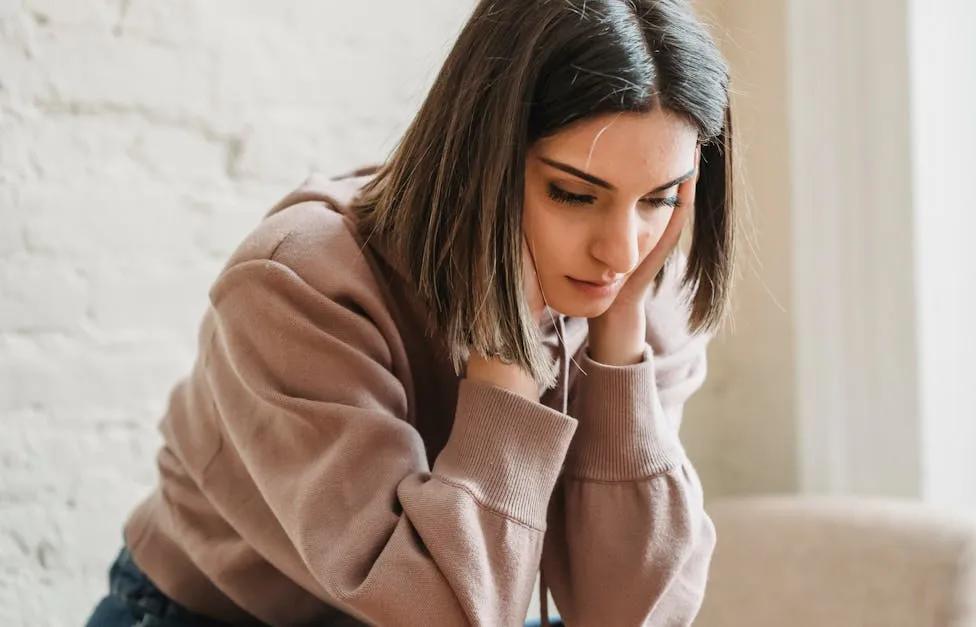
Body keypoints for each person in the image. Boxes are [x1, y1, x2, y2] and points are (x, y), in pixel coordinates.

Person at [84, 0, 735, 624]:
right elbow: (445, 615)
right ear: (482, 156)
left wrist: (620, 349)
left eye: (659, 198)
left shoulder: (643, 296)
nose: (622, 252)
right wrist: (504, 353)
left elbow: (628, 616)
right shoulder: (298, 286)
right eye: (573, 193)